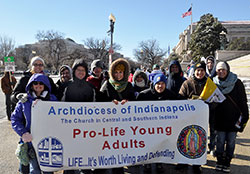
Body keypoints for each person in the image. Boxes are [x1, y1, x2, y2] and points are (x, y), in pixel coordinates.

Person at [11, 73, 57, 174]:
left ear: (45, 85)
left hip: (48, 142)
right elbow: (15, 118)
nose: (38, 85)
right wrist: (23, 133)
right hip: (31, 141)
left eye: (41, 83)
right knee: (34, 170)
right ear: (31, 85)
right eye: (35, 83)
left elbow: (59, 119)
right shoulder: (25, 100)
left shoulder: (53, 99)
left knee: (48, 170)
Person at [99, 58, 135, 174]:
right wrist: (110, 103)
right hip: (109, 124)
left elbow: (135, 103)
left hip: (124, 125)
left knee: (119, 148)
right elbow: (99, 101)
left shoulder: (129, 86)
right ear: (112, 72)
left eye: (121, 72)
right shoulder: (107, 85)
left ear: (125, 73)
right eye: (116, 72)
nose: (118, 75)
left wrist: (127, 101)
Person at [213, 61, 249, 173]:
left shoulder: (237, 82)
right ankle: (219, 161)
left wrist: (245, 116)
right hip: (220, 119)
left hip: (233, 118)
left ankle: (227, 162)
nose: (221, 72)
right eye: (219, 70)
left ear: (227, 70)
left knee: (231, 142)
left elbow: (243, 100)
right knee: (219, 141)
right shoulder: (213, 83)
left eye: (223, 69)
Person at [137, 73, 176, 173]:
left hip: (163, 128)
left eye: (163, 83)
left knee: (160, 145)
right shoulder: (144, 95)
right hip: (147, 128)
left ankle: (159, 163)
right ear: (153, 84)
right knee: (148, 145)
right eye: (158, 83)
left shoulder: (171, 95)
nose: (160, 86)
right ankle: (147, 164)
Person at [62, 58, 95, 174]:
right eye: (78, 70)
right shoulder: (66, 86)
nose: (80, 72)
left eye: (83, 70)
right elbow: (60, 106)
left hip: (86, 128)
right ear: (74, 71)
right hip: (69, 127)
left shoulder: (90, 87)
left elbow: (95, 106)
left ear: (86, 72)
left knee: (85, 152)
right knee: (70, 154)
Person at [179, 61, 207, 174]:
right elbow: (180, 98)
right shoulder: (187, 83)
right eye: (198, 70)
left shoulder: (209, 84)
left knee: (199, 140)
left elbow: (215, 100)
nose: (200, 73)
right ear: (194, 71)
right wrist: (191, 103)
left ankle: (197, 164)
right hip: (187, 117)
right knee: (184, 137)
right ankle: (183, 161)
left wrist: (206, 104)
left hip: (202, 118)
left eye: (202, 70)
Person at [205, 56, 217, 155]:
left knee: (213, 128)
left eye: (211, 63)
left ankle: (212, 147)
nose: (210, 65)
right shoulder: (203, 74)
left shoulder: (217, 75)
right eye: (208, 63)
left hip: (214, 106)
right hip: (204, 106)